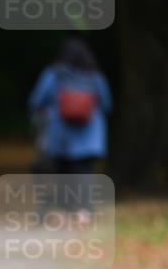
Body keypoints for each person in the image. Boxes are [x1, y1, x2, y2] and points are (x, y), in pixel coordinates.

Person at [28, 37, 112, 224]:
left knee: (62, 175)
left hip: (59, 135)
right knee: (84, 175)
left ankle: (64, 214)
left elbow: (36, 100)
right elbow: (106, 103)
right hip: (90, 136)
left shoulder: (53, 74)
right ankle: (84, 213)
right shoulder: (95, 77)